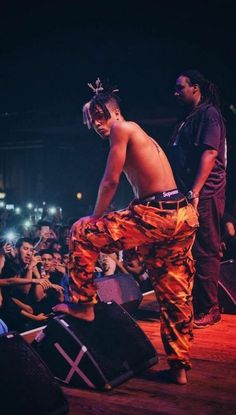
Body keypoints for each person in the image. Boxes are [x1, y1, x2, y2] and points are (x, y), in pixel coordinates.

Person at [54, 78, 198, 384]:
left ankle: (82, 305)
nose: (95, 127)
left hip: (157, 215)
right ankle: (179, 367)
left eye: (96, 120)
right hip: (181, 215)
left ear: (107, 112)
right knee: (173, 292)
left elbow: (110, 179)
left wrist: (94, 217)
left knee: (82, 233)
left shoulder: (122, 128)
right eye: (92, 124)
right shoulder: (140, 133)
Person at [168, 70, 227, 328]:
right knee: (189, 248)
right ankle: (196, 303)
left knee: (206, 247)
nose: (176, 93)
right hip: (191, 192)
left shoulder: (208, 114)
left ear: (196, 88)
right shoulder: (189, 117)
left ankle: (210, 308)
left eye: (181, 87)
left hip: (205, 191)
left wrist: (195, 192)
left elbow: (210, 153)